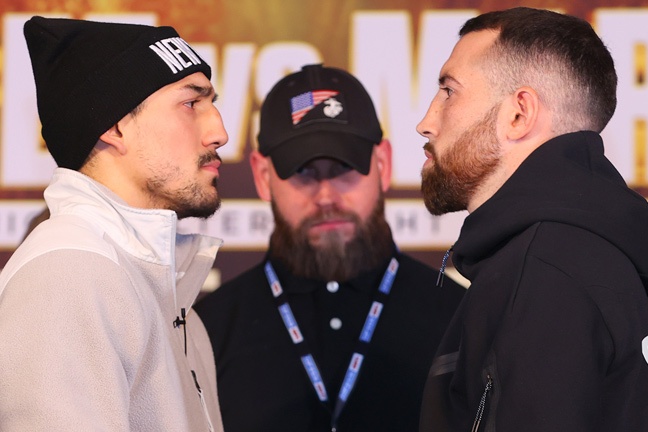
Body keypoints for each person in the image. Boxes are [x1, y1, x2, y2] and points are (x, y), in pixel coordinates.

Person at [416, 7, 648, 432]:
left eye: (449, 91)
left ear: (518, 114)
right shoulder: (584, 255)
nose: (426, 123)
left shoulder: (545, 272)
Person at [194, 63, 466, 432]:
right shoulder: (205, 331)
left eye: (344, 167)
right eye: (302, 171)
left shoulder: (461, 319)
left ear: (383, 164)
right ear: (262, 177)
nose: (325, 196)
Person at [0, 16, 227, 431]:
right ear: (115, 126)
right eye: (191, 103)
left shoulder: (161, 290)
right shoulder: (70, 274)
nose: (220, 132)